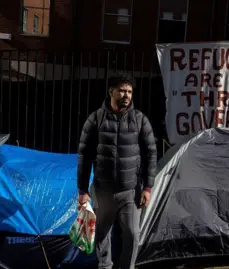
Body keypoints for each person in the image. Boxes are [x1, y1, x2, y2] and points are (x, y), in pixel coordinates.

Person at [77, 72, 157, 269]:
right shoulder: (95, 119)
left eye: (129, 91)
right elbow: (84, 156)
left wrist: (148, 187)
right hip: (102, 191)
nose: (126, 95)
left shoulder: (140, 120)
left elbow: (151, 154)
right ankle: (105, 266)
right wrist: (82, 191)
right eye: (121, 90)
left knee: (132, 233)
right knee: (102, 235)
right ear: (111, 91)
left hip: (130, 192)